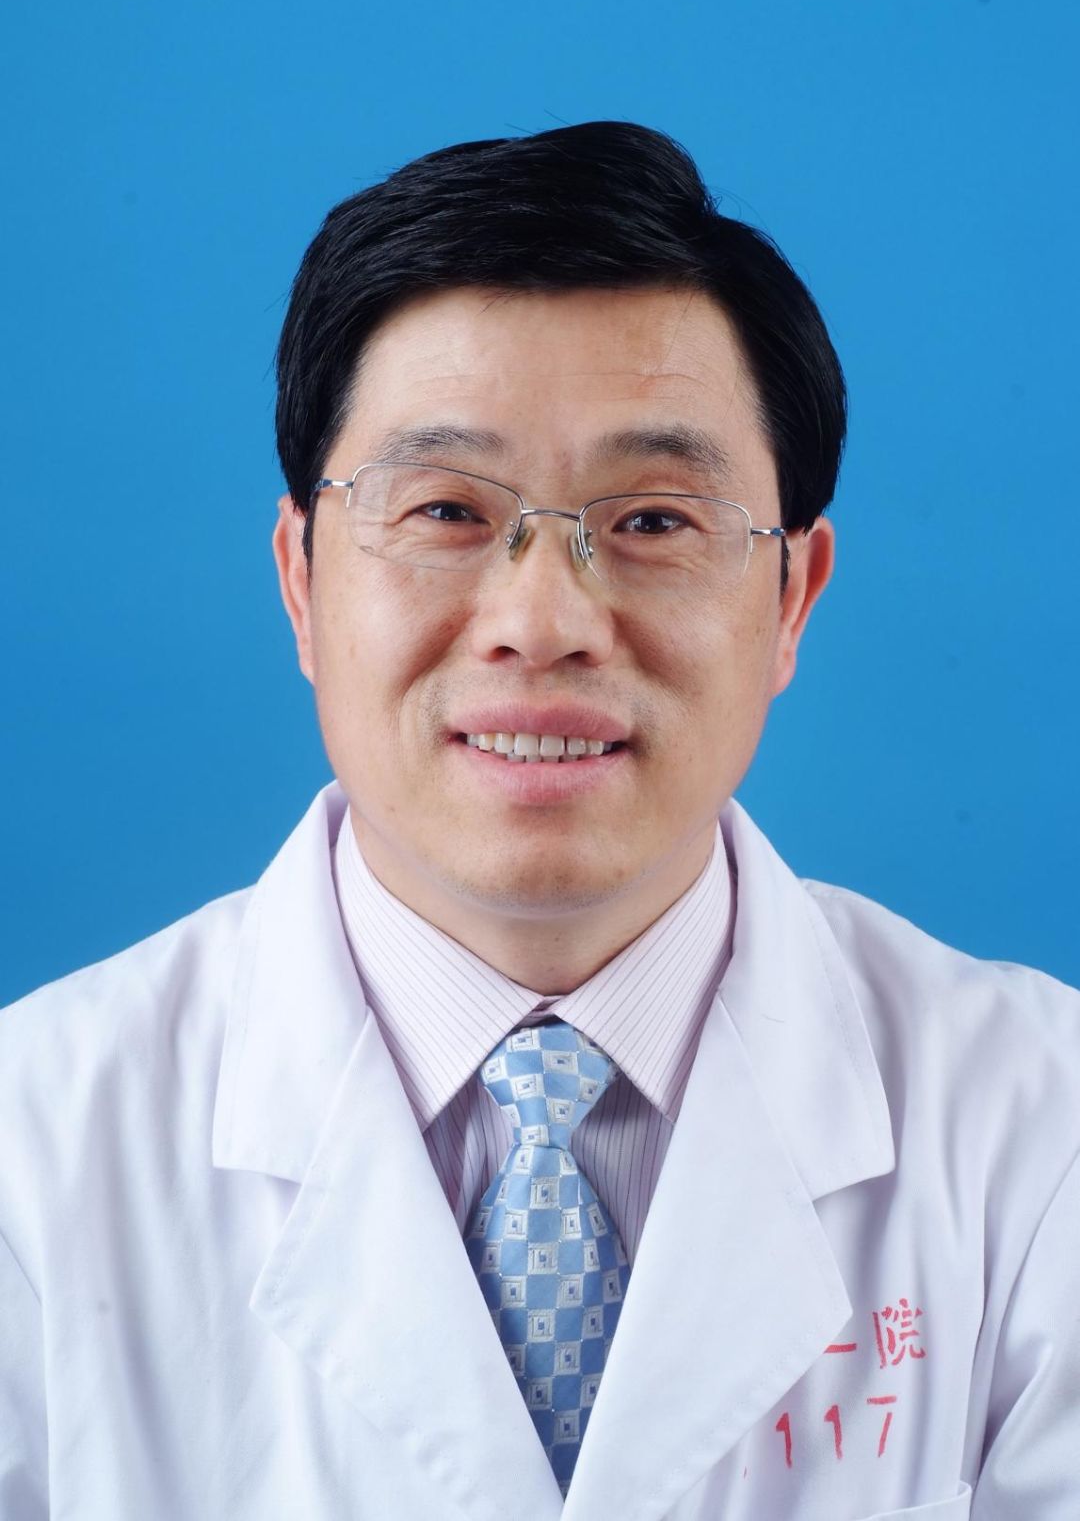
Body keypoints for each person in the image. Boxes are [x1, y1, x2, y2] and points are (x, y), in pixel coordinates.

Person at [1, 121, 1076, 1521]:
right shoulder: (32, 1152)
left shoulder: (1041, 1131)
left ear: (792, 598)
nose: (544, 620)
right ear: (302, 581)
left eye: (654, 522)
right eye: (448, 509)